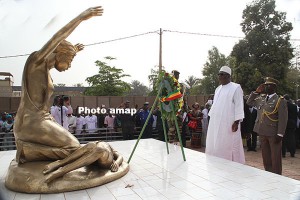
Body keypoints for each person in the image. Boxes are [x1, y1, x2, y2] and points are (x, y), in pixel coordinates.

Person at [12, 6, 125, 183]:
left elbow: (59, 55)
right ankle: (31, 153)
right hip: (32, 121)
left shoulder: (44, 68)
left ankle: (31, 151)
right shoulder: (36, 61)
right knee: (73, 146)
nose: (70, 66)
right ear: (59, 53)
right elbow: (57, 38)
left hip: (37, 121)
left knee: (76, 147)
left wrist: (73, 51)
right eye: (70, 60)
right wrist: (81, 18)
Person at [247, 77, 288, 175]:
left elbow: (283, 118)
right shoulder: (261, 98)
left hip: (274, 133)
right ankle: (268, 174)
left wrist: (280, 134)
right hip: (262, 131)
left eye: (268, 85)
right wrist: (256, 92)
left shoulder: (279, 100)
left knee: (275, 157)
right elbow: (249, 102)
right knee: (266, 156)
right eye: (265, 85)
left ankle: (277, 176)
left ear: (274, 87)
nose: (266, 86)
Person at [205, 66, 245, 164]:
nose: (219, 76)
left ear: (228, 76)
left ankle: (232, 163)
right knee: (215, 143)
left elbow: (239, 105)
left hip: (229, 123)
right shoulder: (218, 89)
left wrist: (236, 122)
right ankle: (216, 162)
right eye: (218, 74)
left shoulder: (236, 87)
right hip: (216, 122)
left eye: (221, 74)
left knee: (229, 145)